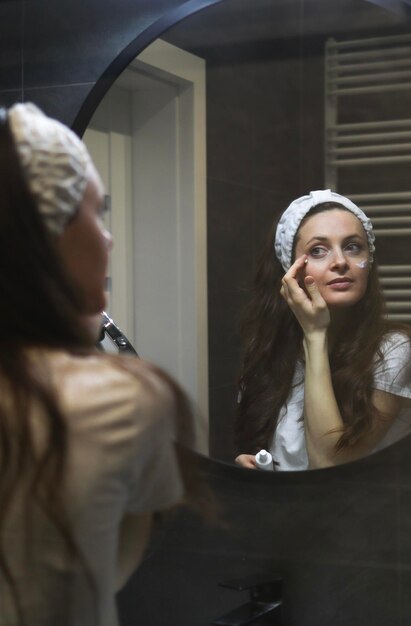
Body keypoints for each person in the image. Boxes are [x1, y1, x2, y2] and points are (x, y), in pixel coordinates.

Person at [0, 103, 196, 626]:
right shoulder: (118, 398)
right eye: (96, 211)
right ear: (47, 234)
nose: (107, 238)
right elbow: (110, 567)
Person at [235, 189, 411, 471]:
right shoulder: (269, 352)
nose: (341, 262)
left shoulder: (394, 349)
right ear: (290, 271)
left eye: (353, 246)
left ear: (369, 262)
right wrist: (254, 469)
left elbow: (329, 466)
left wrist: (315, 334)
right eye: (318, 250)